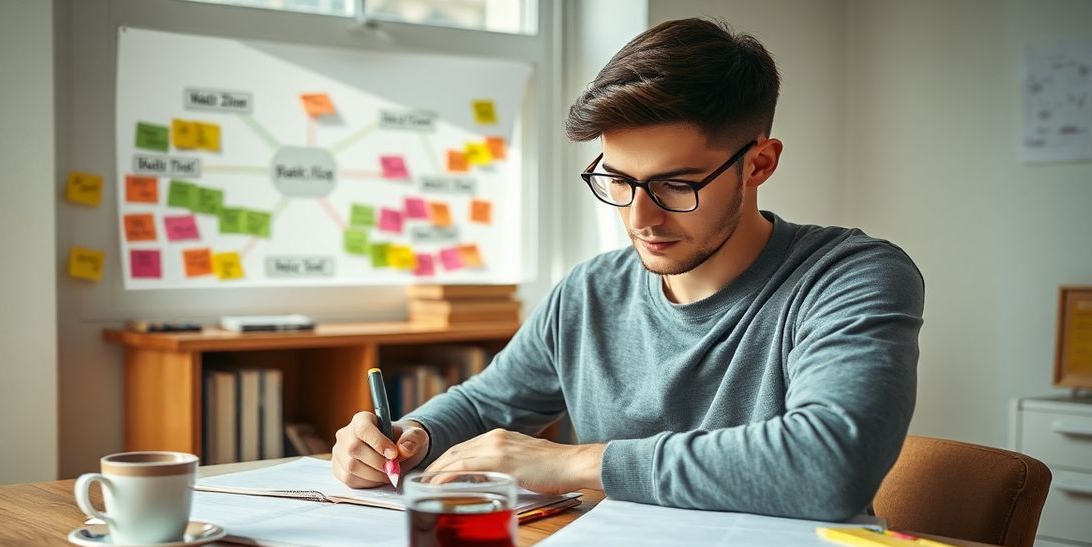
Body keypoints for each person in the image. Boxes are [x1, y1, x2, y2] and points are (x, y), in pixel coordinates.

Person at [331, 17, 923, 520]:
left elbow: (830, 466)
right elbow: (485, 405)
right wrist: (409, 437)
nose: (640, 217)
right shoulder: (591, 292)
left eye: (676, 184)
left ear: (759, 164)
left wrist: (574, 463)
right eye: (617, 180)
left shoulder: (852, 278)